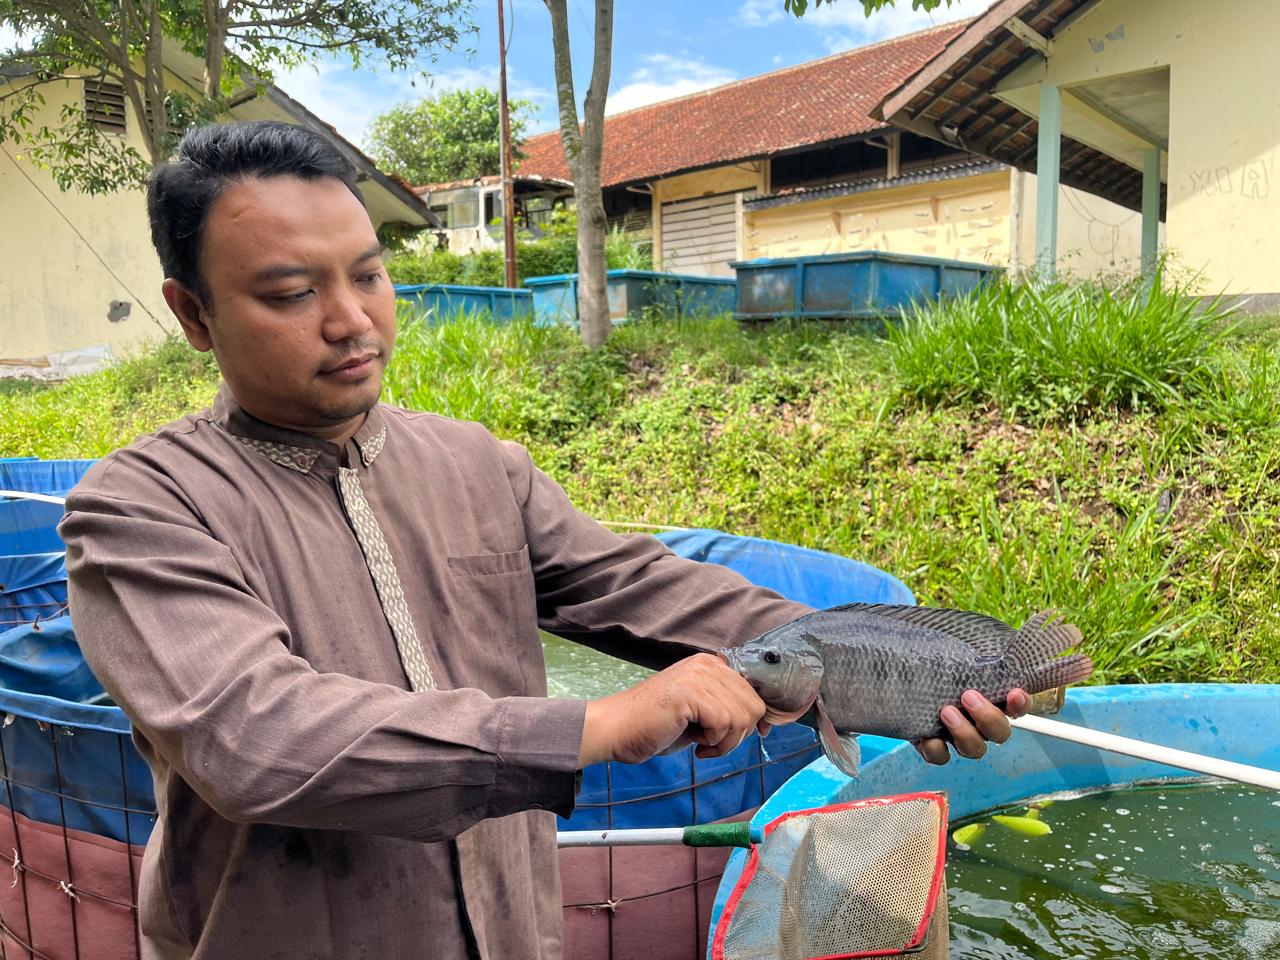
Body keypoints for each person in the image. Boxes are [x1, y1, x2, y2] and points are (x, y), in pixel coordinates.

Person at [59, 120, 1028, 960]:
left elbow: (643, 587)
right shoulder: (141, 508)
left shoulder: (479, 466)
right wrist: (591, 728)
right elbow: (255, 737)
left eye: (369, 274)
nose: (352, 320)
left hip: (514, 928)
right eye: (287, 294)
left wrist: (884, 660)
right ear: (193, 313)